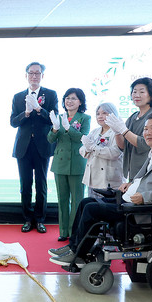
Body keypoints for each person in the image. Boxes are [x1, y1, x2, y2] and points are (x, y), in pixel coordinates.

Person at [50, 113, 152, 266]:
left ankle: (78, 254)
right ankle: (73, 246)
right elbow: (146, 178)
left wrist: (145, 197)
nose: (148, 133)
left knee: (92, 209)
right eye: (146, 129)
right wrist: (131, 183)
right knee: (86, 202)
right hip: (129, 200)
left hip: (143, 208)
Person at [10, 61, 59, 233]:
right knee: (25, 185)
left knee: (41, 184)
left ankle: (39, 219)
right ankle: (27, 219)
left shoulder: (50, 94)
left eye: (37, 73)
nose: (34, 76)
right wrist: (26, 113)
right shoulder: (18, 96)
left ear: (42, 76)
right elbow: (13, 122)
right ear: (26, 75)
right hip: (23, 146)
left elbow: (54, 119)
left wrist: (39, 109)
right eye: (31, 73)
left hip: (42, 146)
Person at [47, 88, 90, 241]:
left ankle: (74, 232)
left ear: (80, 102)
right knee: (62, 199)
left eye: (73, 98)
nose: (69, 101)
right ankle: (63, 232)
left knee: (77, 200)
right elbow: (50, 139)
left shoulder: (85, 118)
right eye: (67, 98)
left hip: (77, 164)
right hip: (60, 163)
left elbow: (82, 138)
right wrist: (55, 128)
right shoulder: (59, 117)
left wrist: (68, 128)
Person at [106, 77, 152, 180]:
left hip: (147, 171)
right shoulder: (133, 117)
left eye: (141, 92)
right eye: (134, 92)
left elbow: (145, 144)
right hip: (132, 172)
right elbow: (123, 146)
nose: (137, 95)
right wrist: (117, 132)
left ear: (151, 94)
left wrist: (124, 130)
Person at [79, 103, 124, 200]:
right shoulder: (95, 131)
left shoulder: (118, 132)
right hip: (93, 179)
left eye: (104, 113)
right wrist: (88, 148)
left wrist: (93, 148)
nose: (100, 116)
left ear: (113, 114)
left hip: (109, 180)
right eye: (98, 114)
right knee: (91, 205)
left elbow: (115, 153)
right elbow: (82, 150)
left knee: (106, 207)